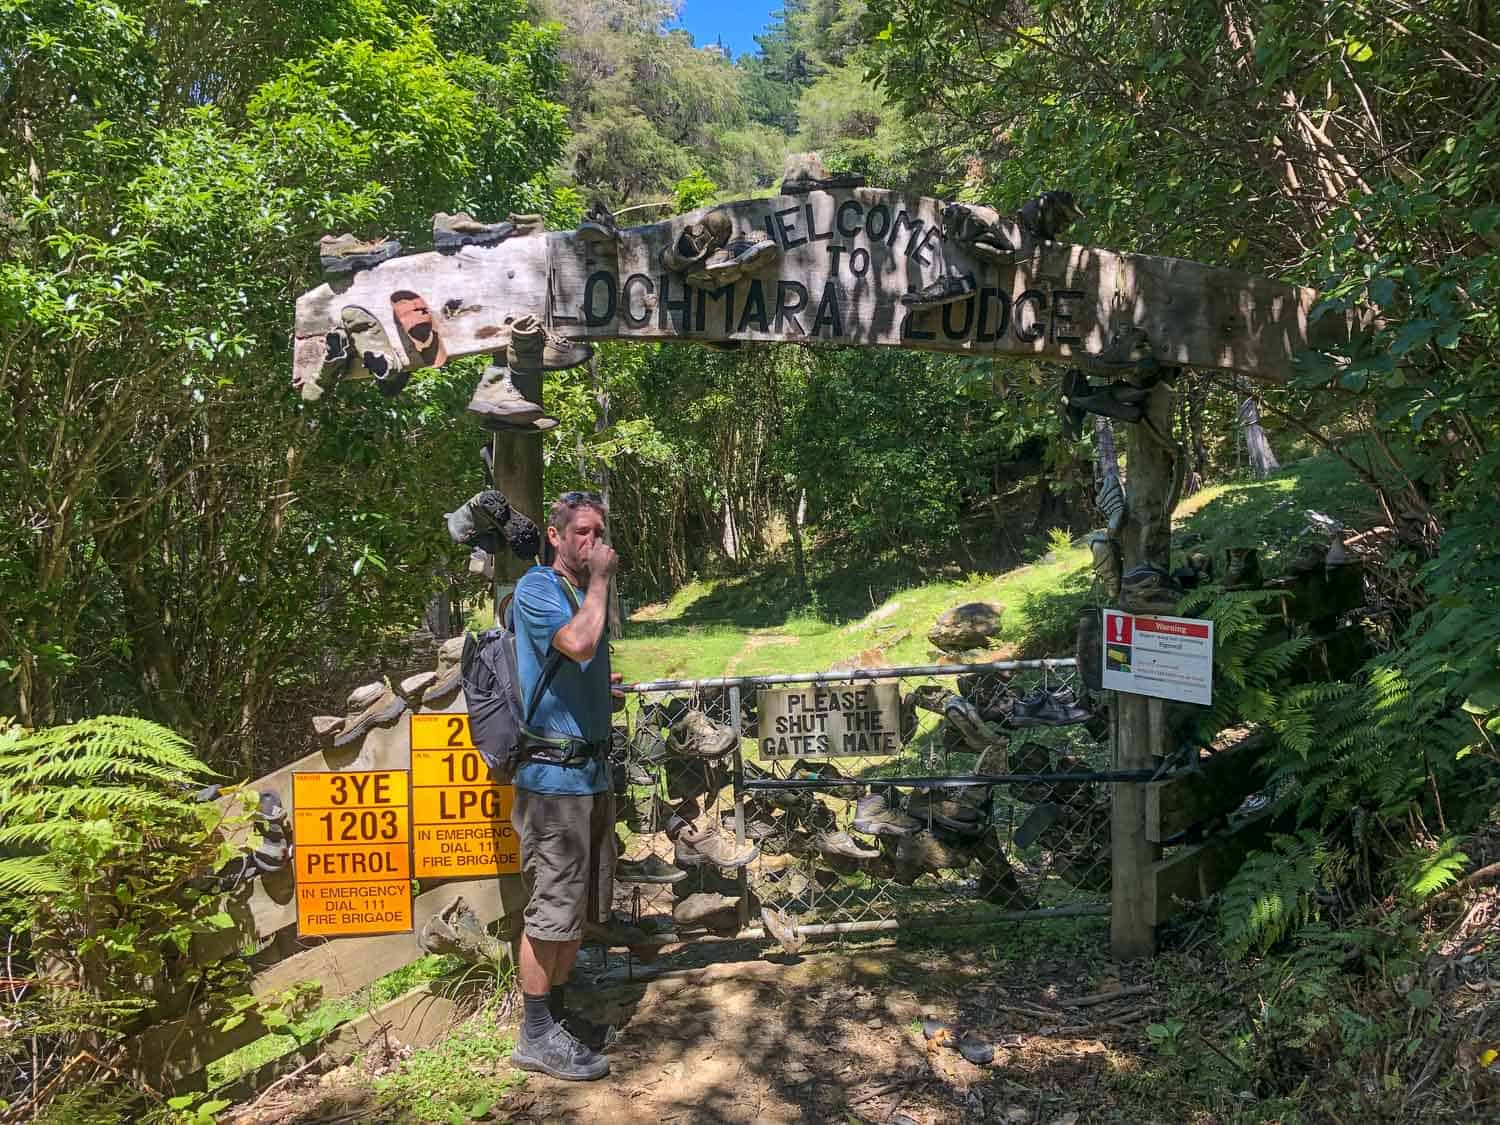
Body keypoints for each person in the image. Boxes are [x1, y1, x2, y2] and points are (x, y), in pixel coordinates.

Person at [508, 490, 621, 1082]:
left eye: (598, 532)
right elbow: (576, 644)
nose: (593, 542)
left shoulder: (580, 597)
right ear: (555, 536)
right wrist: (602, 582)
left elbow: (582, 663)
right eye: (581, 531)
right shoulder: (538, 591)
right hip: (553, 784)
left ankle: (555, 1016)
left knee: (574, 911)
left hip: (590, 776)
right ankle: (533, 1034)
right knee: (550, 911)